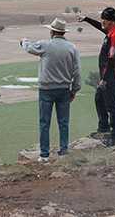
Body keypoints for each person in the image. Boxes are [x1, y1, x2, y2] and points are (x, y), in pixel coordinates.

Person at [20, 18, 82, 162]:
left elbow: (29, 48)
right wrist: (74, 90)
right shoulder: (72, 48)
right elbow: (77, 71)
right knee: (63, 122)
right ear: (63, 32)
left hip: (46, 90)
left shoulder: (45, 45)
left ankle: (44, 155)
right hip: (64, 90)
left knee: (44, 123)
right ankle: (64, 150)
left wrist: (24, 41)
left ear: (52, 32)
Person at [78, 7, 115, 148]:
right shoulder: (113, 31)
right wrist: (86, 19)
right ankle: (104, 127)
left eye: (103, 19)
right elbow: (101, 27)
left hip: (111, 75)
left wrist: (104, 79)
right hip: (108, 75)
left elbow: (111, 59)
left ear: (110, 21)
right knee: (99, 99)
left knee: (112, 106)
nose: (101, 21)